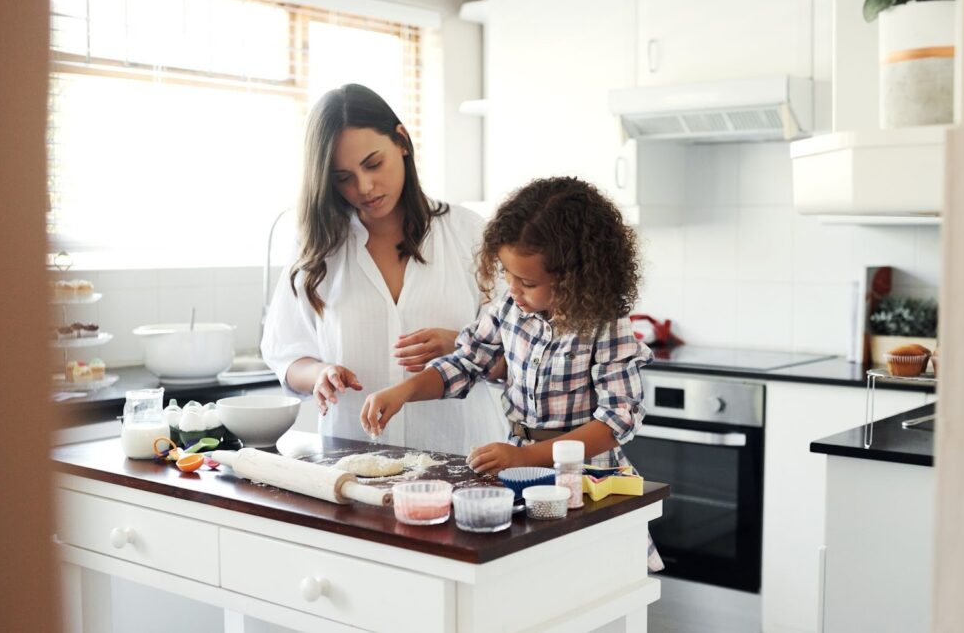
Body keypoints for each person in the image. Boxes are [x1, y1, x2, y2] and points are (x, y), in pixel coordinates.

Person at [359, 176, 663, 571]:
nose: (513, 289)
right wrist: (402, 392)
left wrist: (525, 455)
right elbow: (466, 362)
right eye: (507, 273)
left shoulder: (605, 326)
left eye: (528, 281)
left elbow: (615, 422)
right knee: (531, 580)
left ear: (576, 278)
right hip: (521, 472)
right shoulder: (508, 308)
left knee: (591, 578)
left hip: (589, 479)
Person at [261, 83, 507, 455]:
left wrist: (461, 345)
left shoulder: (470, 234)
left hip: (465, 459)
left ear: (402, 142)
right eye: (343, 177)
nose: (364, 187)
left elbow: (523, 358)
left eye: (373, 163)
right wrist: (319, 374)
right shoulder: (317, 249)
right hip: (354, 465)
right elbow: (286, 354)